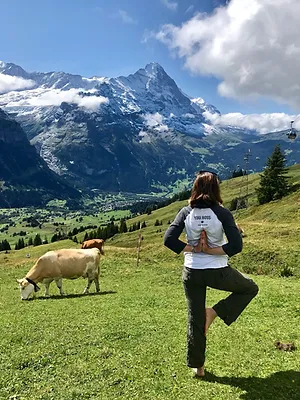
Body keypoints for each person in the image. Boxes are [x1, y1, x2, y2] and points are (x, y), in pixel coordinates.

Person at [163, 171, 258, 377]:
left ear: (195, 188)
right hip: (218, 271)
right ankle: (214, 312)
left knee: (194, 318)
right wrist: (210, 250)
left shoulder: (185, 211)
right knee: (250, 288)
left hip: (192, 271)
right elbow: (236, 246)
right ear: (216, 189)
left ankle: (199, 368)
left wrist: (194, 249)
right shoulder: (222, 213)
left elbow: (168, 239)